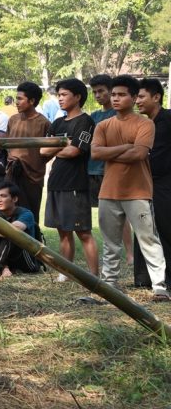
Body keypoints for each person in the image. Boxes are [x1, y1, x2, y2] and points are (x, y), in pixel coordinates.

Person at [91, 75, 169, 302]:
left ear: (134, 98)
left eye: (121, 95)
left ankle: (159, 287)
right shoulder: (103, 125)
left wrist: (110, 152)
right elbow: (95, 153)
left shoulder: (145, 124)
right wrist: (125, 147)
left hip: (138, 191)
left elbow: (139, 154)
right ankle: (109, 284)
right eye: (114, 94)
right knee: (110, 243)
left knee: (148, 240)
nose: (115, 99)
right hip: (108, 191)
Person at [41, 78, 98, 280]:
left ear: (78, 97)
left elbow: (75, 151)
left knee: (83, 232)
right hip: (55, 182)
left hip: (75, 184)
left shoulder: (85, 122)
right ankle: (65, 272)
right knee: (63, 231)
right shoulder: (57, 122)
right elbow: (43, 150)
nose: (60, 98)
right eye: (59, 95)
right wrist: (64, 144)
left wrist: (58, 147)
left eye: (64, 94)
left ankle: (94, 276)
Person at [88, 74, 133, 264]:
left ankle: (130, 253)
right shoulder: (93, 117)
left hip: (112, 170)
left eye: (101, 91)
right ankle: (110, 253)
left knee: (121, 214)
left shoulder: (119, 115)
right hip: (92, 170)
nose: (98, 95)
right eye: (95, 92)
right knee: (103, 215)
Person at [133, 79, 171, 289]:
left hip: (164, 184)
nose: (137, 101)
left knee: (164, 228)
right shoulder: (143, 124)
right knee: (143, 227)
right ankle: (144, 278)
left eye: (141, 96)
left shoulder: (167, 120)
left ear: (156, 97)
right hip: (144, 182)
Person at [6, 81, 50, 228]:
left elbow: (49, 151)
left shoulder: (44, 123)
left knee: (30, 214)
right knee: (9, 212)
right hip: (11, 173)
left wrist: (35, 163)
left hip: (32, 177)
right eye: (16, 98)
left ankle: (32, 242)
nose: (16, 102)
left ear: (31, 101)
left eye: (20, 99)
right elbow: (6, 144)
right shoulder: (13, 120)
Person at [0, 182, 40, 277]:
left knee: (13, 233)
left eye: (3, 196)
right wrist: (1, 232)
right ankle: (4, 267)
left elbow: (14, 229)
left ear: (14, 199)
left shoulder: (26, 214)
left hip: (25, 260)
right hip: (5, 258)